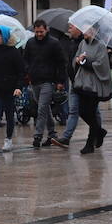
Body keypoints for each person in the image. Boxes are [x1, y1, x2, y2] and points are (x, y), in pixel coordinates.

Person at [52, 24, 101, 149]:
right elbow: (67, 63)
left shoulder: (90, 44)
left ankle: (97, 134)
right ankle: (66, 138)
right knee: (73, 111)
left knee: (92, 111)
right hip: (75, 83)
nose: (69, 30)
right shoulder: (72, 43)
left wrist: (82, 61)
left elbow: (97, 64)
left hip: (87, 84)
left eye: (71, 27)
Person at [23, 19, 67, 148]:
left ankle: (38, 136)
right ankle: (52, 134)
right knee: (45, 108)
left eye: (41, 31)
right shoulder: (30, 43)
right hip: (35, 80)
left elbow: (61, 63)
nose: (39, 34)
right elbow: (25, 59)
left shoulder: (54, 43)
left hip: (49, 81)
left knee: (41, 108)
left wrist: (60, 81)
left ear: (46, 29)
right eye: (36, 32)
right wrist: (27, 71)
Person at [70, 27, 112, 155]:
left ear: (94, 32)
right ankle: (99, 132)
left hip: (94, 85)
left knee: (91, 112)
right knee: (82, 112)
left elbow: (102, 65)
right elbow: (76, 59)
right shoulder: (82, 43)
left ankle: (90, 144)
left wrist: (85, 62)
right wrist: (77, 60)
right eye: (84, 31)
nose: (84, 33)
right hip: (82, 83)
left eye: (87, 31)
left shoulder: (100, 46)